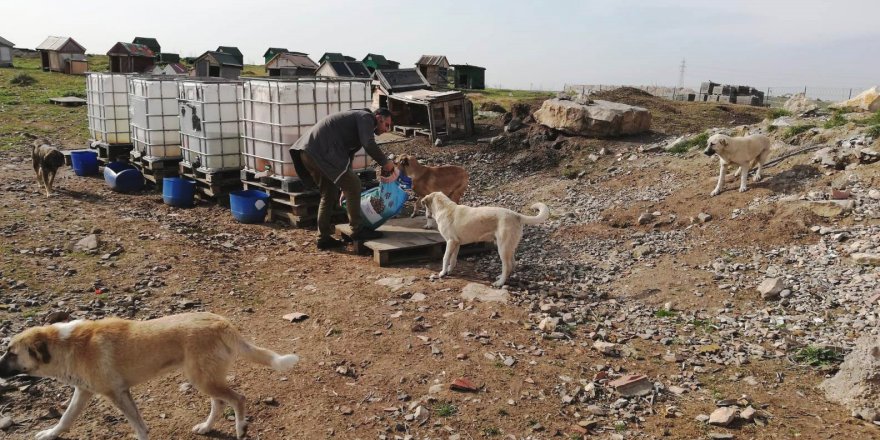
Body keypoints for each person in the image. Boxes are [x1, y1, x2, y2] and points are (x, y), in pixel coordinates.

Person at [289, 108, 395, 250]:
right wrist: (385, 162)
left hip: (308, 152)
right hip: (320, 151)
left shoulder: (357, 119)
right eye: (386, 125)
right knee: (354, 184)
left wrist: (344, 186)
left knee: (329, 193)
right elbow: (368, 143)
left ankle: (323, 238)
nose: (387, 130)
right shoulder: (366, 118)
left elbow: (348, 154)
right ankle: (357, 229)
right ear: (378, 118)